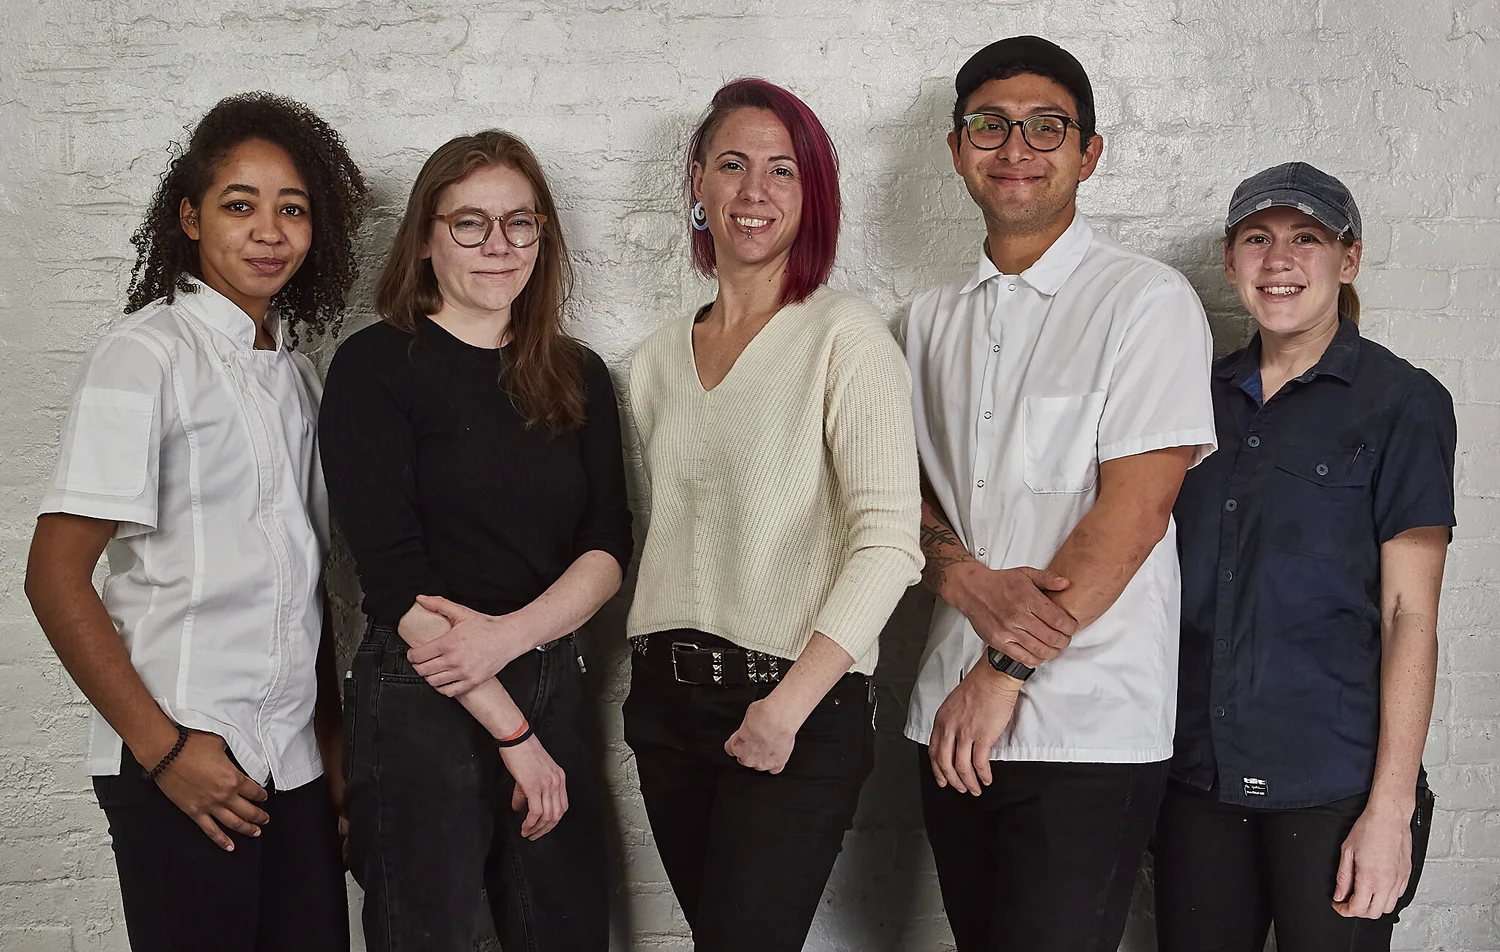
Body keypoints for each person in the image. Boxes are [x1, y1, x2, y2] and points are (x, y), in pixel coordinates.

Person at [24, 92, 366, 951]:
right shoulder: (144, 357)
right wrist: (166, 753)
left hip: (290, 759)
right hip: (180, 752)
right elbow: (53, 575)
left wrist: (330, 746)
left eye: (292, 209)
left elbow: (305, 584)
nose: (269, 232)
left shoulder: (300, 378)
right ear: (189, 217)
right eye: (239, 205)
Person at [903, 36, 1218, 952]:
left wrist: (1001, 672)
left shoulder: (1146, 302)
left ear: (1089, 153)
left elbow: (1135, 514)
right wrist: (963, 582)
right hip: (948, 721)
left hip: (1089, 730)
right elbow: (895, 497)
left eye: (1047, 127)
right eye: (989, 126)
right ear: (956, 149)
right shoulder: (924, 322)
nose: (1017, 148)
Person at [623, 77, 923, 951]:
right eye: (732, 165)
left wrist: (786, 707)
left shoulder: (845, 337)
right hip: (666, 706)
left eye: (782, 169)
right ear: (697, 183)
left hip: (794, 701)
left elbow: (889, 544)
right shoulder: (653, 362)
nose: (754, 190)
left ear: (811, 192)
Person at [318, 129, 631, 952]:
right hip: (422, 690)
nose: (499, 245)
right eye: (470, 223)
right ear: (425, 239)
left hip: (550, 678)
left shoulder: (577, 373)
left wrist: (512, 639)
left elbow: (607, 547)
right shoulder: (374, 367)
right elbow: (393, 577)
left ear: (542, 236)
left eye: (519, 222)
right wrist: (512, 733)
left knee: (564, 931)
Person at [1153, 163, 1455, 952]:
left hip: (1335, 784)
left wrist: (1389, 809)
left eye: (1307, 239)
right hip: (1197, 776)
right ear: (1231, 262)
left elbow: (1411, 615)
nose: (1279, 260)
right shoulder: (1190, 400)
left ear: (1348, 260)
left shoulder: (1403, 402)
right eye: (1258, 238)